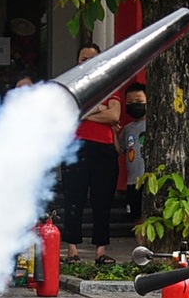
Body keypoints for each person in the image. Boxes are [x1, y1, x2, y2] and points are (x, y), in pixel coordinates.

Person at [55, 42, 122, 263]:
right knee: (74, 199)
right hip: (76, 147)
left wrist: (84, 112)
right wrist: (100, 108)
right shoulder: (71, 85)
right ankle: (72, 250)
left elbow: (114, 116)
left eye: (91, 58)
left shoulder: (111, 82)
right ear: (78, 62)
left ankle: (101, 251)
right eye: (83, 58)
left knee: (103, 202)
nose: (87, 62)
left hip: (104, 148)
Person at [115, 82, 150, 223]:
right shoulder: (127, 129)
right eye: (130, 102)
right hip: (132, 181)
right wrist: (113, 133)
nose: (135, 105)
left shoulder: (156, 124)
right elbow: (120, 150)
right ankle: (141, 244)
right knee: (137, 218)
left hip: (150, 180)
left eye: (139, 101)